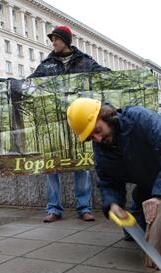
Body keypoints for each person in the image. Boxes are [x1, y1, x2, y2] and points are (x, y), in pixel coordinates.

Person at [66, 98, 161, 265]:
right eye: (91, 137)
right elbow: (107, 181)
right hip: (151, 183)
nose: (98, 139)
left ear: (105, 116)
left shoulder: (139, 117)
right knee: (133, 234)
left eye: (97, 130)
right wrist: (114, 205)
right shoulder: (101, 148)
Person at [27, 25, 110, 222]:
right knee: (52, 166)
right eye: (52, 39)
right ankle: (54, 209)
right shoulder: (46, 65)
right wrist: (7, 82)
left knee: (81, 164)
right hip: (54, 123)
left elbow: (105, 75)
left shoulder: (85, 61)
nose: (53, 42)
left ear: (66, 40)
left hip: (80, 121)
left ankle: (84, 208)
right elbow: (29, 83)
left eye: (56, 39)